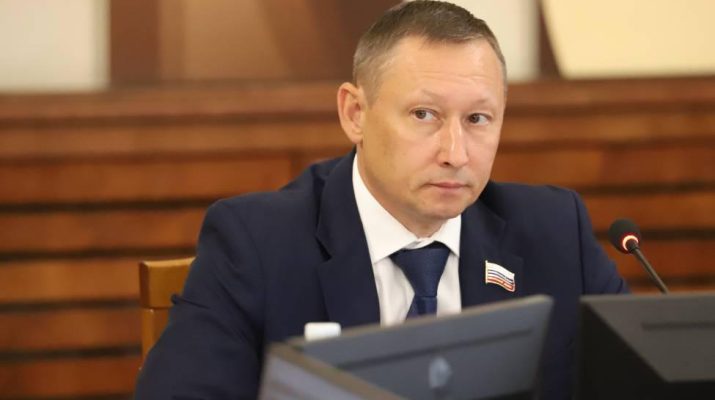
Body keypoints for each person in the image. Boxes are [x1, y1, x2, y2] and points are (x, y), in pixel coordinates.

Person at [135, 1, 628, 398]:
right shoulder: (256, 244)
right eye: (424, 114)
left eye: (478, 119)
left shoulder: (555, 232)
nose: (456, 154)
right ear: (355, 113)